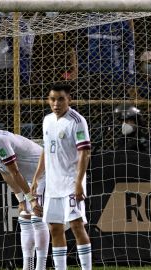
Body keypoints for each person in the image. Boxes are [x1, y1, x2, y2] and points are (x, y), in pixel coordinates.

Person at [0, 115, 49, 270]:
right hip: (28, 178)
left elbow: (15, 172)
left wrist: (31, 199)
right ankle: (28, 266)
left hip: (45, 172)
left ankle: (41, 267)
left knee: (37, 218)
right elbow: (4, 172)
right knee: (24, 218)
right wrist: (21, 199)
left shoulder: (0, 141)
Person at [31, 83, 92, 270]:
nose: (56, 103)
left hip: (71, 183)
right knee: (55, 229)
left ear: (69, 100)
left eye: (60, 99)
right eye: (52, 99)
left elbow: (85, 153)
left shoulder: (76, 121)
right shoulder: (47, 120)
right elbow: (45, 151)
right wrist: (36, 178)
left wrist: (79, 183)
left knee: (76, 226)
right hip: (52, 185)